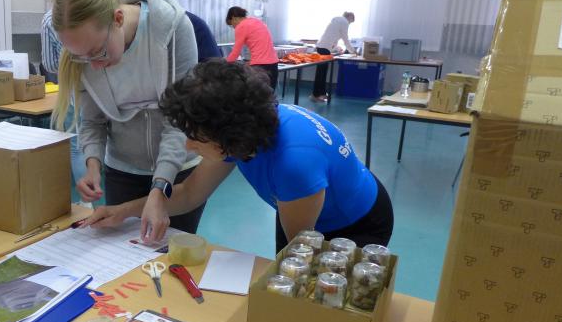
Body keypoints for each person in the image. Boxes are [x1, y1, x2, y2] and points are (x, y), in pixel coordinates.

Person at [84, 59, 394, 252]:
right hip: (302, 203)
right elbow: (190, 193)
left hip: (356, 222)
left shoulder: (293, 164)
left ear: (228, 135)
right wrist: (123, 211)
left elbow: (300, 251)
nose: (188, 146)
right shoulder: (246, 131)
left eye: (195, 138)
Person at [51, 0, 205, 236]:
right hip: (123, 170)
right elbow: (92, 120)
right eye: (82, 58)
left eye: (98, 52)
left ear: (118, 19)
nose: (94, 65)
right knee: (123, 254)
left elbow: (179, 121)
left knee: (171, 251)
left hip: (179, 169)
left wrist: (160, 189)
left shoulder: (172, 29)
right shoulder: (85, 51)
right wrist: (92, 165)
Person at [40, 0, 86, 183]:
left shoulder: (50, 19)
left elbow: (49, 64)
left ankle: (86, 197)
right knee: (99, 142)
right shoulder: (90, 14)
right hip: (99, 87)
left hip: (71, 90)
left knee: (76, 146)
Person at [224, 6, 279, 90]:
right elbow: (261, 46)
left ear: (233, 18)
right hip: (273, 63)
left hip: (260, 67)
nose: (234, 27)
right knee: (270, 94)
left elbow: (236, 51)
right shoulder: (257, 22)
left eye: (232, 24)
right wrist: (250, 62)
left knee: (256, 95)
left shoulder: (241, 26)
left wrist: (224, 65)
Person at [312, 11, 356, 102]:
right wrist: (353, 52)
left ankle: (322, 93)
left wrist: (337, 48)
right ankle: (316, 95)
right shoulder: (344, 22)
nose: (350, 23)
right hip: (324, 49)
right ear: (349, 17)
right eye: (351, 21)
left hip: (322, 47)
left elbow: (333, 37)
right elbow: (345, 39)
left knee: (322, 72)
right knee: (321, 73)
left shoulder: (337, 21)